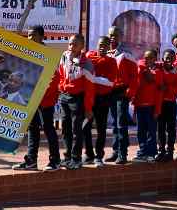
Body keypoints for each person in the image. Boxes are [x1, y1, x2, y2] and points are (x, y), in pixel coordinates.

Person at [12, 25, 61, 172]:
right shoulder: (28, 53)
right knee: (32, 129)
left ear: (41, 37)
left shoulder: (48, 55)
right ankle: (31, 161)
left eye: (33, 35)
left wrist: (39, 94)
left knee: (48, 129)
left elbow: (55, 78)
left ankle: (55, 161)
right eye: (28, 35)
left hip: (45, 101)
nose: (29, 38)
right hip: (31, 100)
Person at [57, 34, 95, 170]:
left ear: (82, 46)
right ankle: (67, 157)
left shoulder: (87, 63)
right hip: (64, 96)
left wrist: (89, 108)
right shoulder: (64, 56)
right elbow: (61, 74)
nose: (71, 47)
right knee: (65, 129)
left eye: (75, 44)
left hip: (77, 99)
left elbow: (90, 88)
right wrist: (61, 86)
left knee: (76, 130)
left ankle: (76, 158)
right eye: (70, 44)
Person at [84, 36, 118, 167]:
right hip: (89, 98)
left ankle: (99, 156)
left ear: (109, 47)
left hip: (103, 99)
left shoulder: (111, 61)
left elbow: (110, 83)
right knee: (85, 127)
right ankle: (89, 155)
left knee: (101, 128)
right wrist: (98, 78)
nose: (102, 47)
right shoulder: (89, 56)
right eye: (100, 45)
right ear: (96, 45)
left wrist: (92, 78)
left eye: (105, 45)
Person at [106, 26, 137, 165]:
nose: (113, 37)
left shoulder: (126, 53)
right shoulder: (106, 52)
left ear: (121, 37)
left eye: (116, 35)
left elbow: (134, 75)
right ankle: (115, 151)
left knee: (121, 124)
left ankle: (123, 154)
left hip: (121, 92)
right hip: (109, 92)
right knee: (114, 123)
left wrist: (129, 93)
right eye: (111, 35)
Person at [132, 49, 163, 162]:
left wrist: (157, 110)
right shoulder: (141, 70)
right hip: (140, 106)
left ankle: (152, 152)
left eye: (150, 57)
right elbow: (137, 90)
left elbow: (159, 93)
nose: (147, 60)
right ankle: (142, 152)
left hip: (151, 107)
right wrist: (135, 110)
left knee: (151, 131)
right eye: (145, 57)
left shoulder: (158, 72)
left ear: (155, 59)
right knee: (141, 131)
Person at [156, 49, 177, 162]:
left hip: (171, 104)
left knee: (171, 129)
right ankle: (161, 151)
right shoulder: (158, 69)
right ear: (163, 59)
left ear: (174, 59)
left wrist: (168, 88)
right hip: (160, 103)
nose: (169, 60)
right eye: (167, 58)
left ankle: (170, 151)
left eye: (171, 58)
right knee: (160, 128)